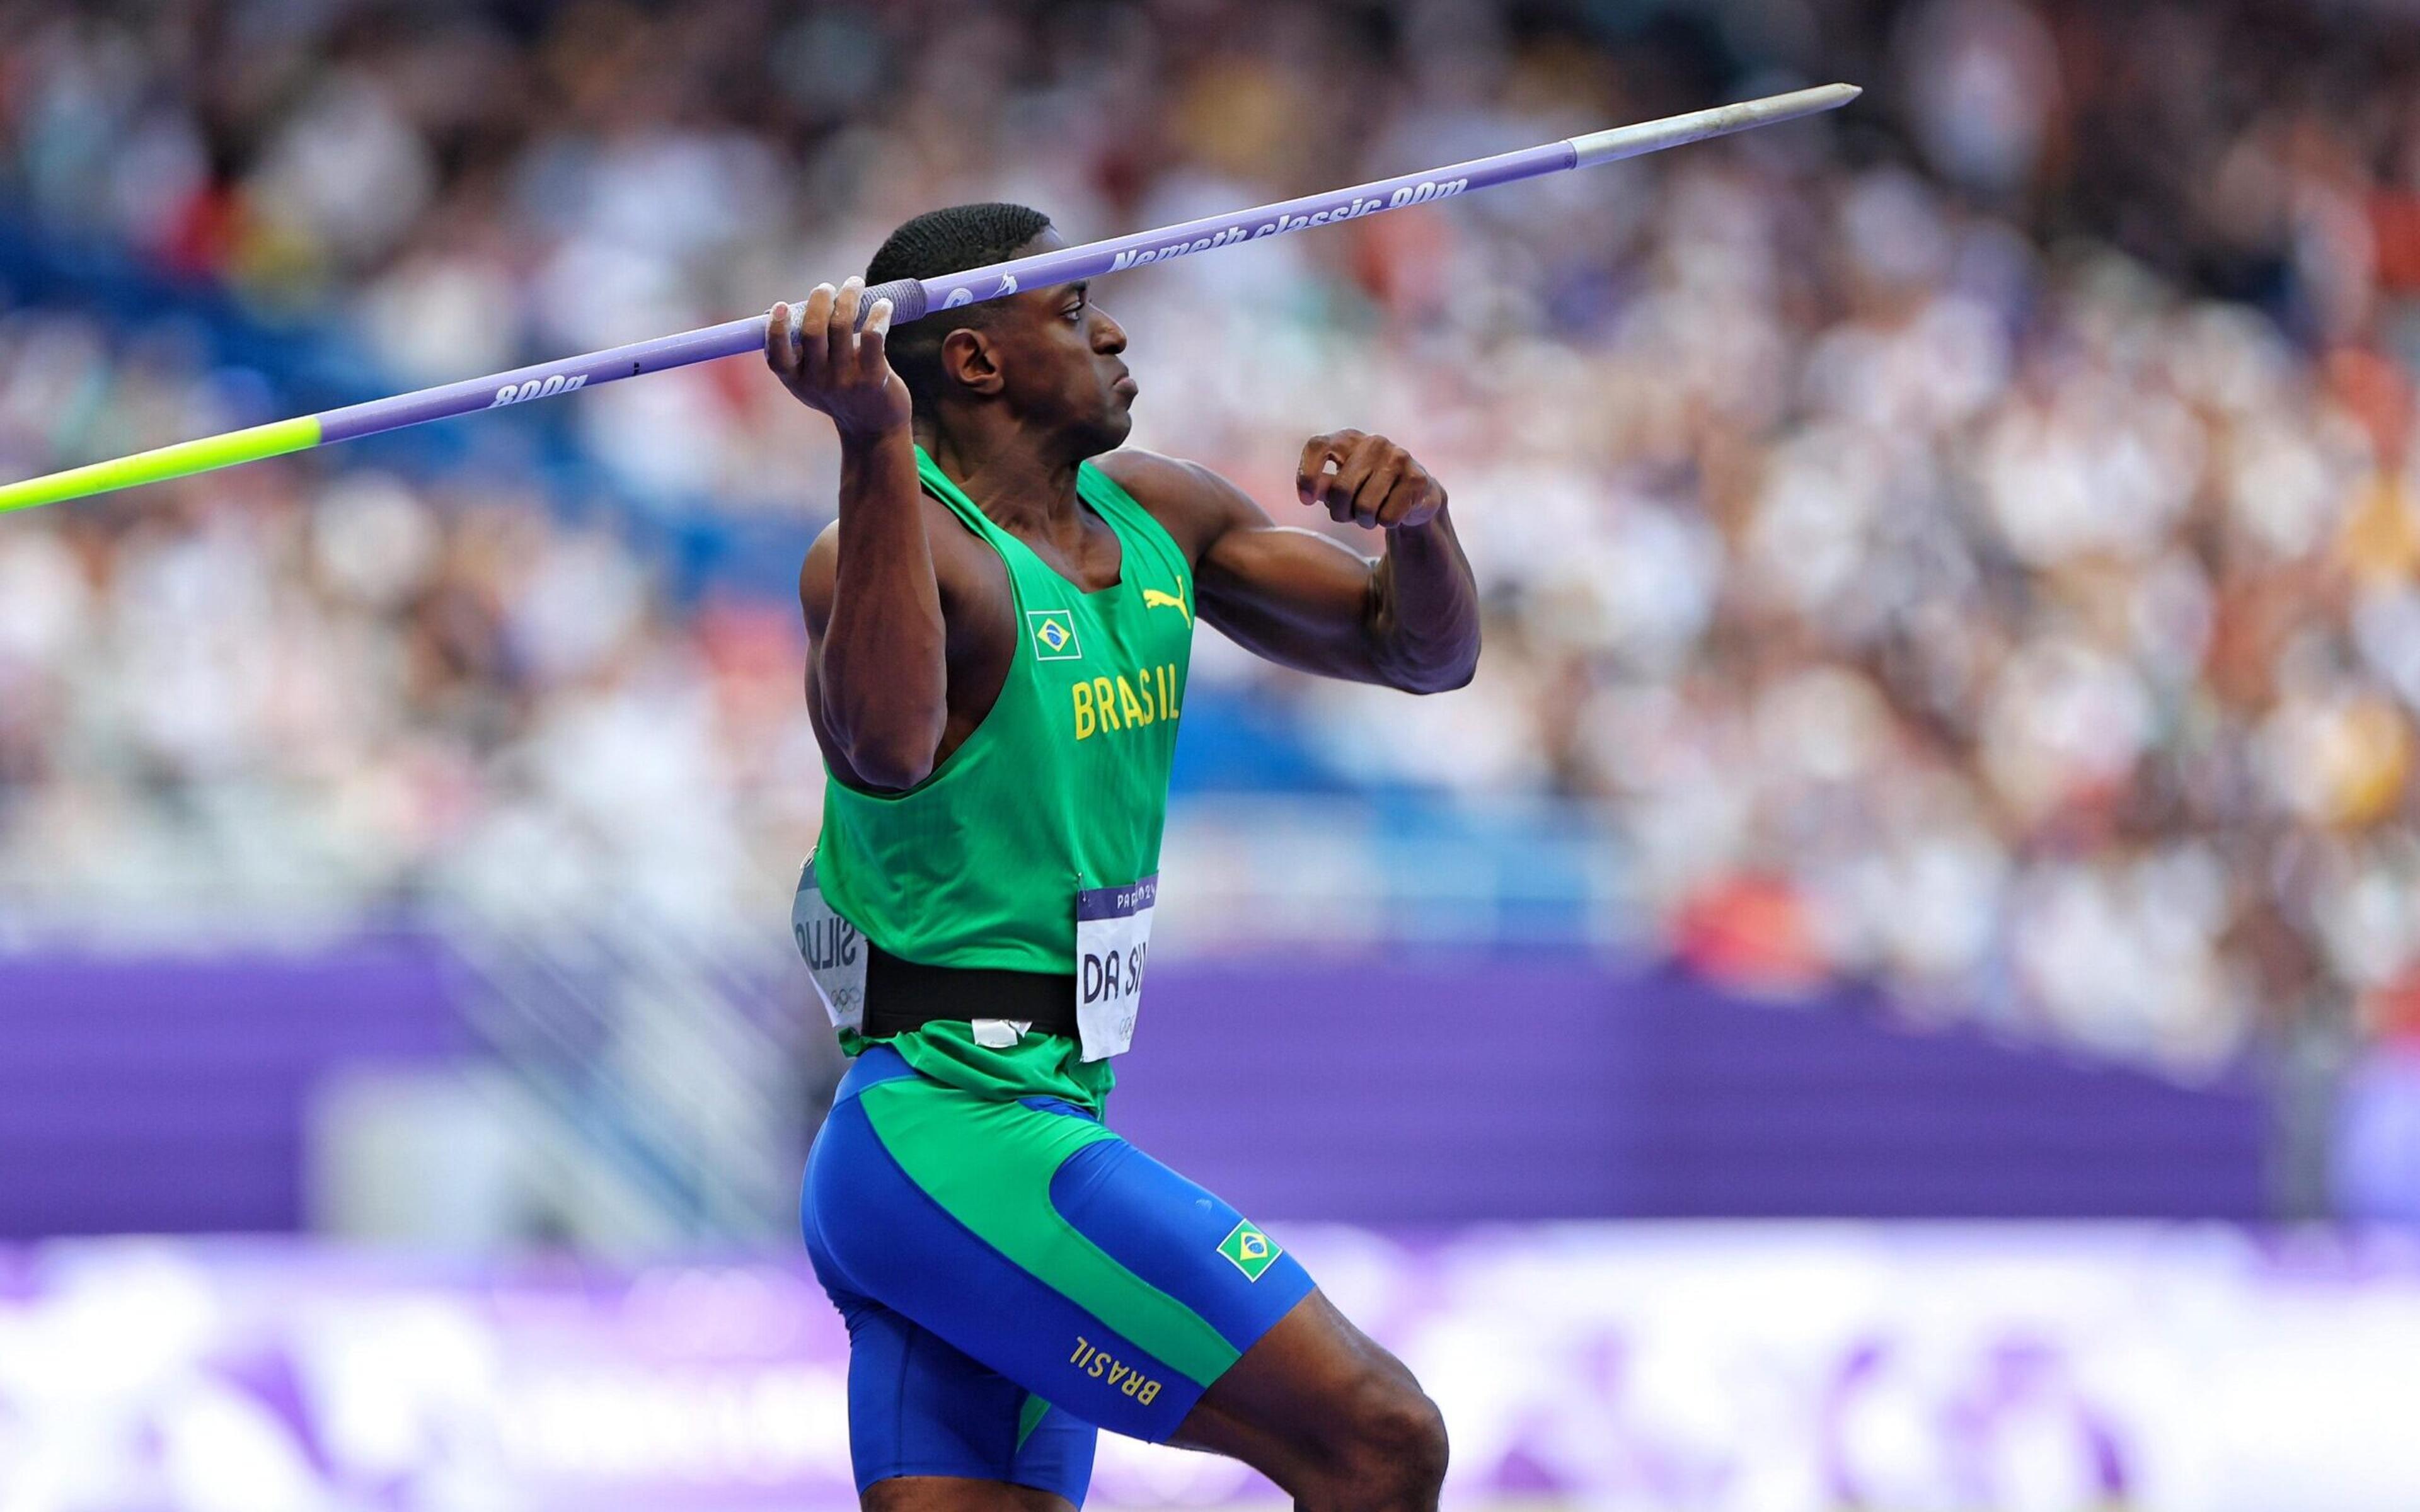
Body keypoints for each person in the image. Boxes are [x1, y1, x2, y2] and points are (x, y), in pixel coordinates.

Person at [773, 202, 1479, 1512]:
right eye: (1075, 311)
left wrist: (1422, 527)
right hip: (949, 1132)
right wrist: (871, 436)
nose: (1115, 332)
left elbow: (1419, 652)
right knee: (1383, 1440)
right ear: (977, 362)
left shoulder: (1160, 513)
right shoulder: (894, 548)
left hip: (1043, 1110)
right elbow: (882, 746)